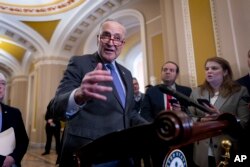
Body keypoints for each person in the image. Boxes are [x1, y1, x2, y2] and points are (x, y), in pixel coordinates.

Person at [51, 19, 147, 167]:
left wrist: (154, 128)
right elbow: (56, 107)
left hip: (123, 155)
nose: (111, 42)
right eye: (106, 35)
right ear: (98, 39)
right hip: (89, 154)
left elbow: (130, 113)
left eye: (117, 38)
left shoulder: (126, 73)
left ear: (122, 44)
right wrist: (79, 95)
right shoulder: (79, 63)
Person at [189, 57, 250, 167]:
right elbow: (189, 117)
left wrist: (222, 117)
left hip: (227, 150)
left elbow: (244, 123)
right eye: (207, 69)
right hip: (201, 153)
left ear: (225, 72)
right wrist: (200, 119)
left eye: (214, 68)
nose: (209, 71)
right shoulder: (196, 92)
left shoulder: (240, 91)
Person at [140, 61, 193, 167]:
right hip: (159, 137)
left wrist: (181, 111)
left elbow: (191, 113)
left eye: (171, 70)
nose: (167, 72)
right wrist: (156, 128)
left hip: (182, 137)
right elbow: (145, 113)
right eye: (165, 70)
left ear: (176, 74)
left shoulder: (186, 91)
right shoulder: (151, 91)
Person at [0, 72, 29, 167]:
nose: (0, 86)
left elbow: (23, 141)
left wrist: (13, 158)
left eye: (3, 83)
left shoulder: (14, 113)